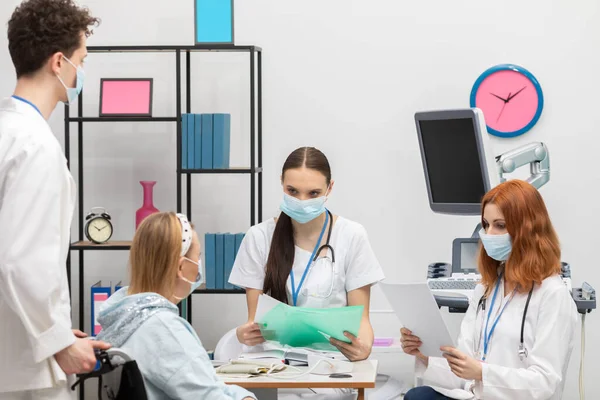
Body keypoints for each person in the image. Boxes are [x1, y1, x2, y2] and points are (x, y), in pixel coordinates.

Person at [0, 1, 110, 398]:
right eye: (82, 59)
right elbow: (20, 262)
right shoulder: (35, 148)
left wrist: (58, 329)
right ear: (59, 62)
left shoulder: (8, 132)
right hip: (25, 371)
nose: (82, 72)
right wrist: (60, 342)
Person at [401, 180, 578, 400]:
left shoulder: (553, 295)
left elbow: (544, 383)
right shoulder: (487, 289)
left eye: (500, 225)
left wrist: (483, 373)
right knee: (418, 396)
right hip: (476, 396)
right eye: (486, 224)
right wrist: (424, 356)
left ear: (527, 229)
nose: (488, 234)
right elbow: (464, 369)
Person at [230, 146, 385, 362]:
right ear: (281, 184)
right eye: (292, 191)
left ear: (329, 188)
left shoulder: (351, 236)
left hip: (331, 363)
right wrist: (245, 334)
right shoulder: (258, 237)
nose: (302, 201)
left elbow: (362, 321)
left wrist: (364, 347)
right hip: (273, 361)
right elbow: (254, 321)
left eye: (313, 193)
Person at [97, 212, 256, 400]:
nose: (199, 266)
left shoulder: (123, 317)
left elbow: (206, 385)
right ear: (181, 268)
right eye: (198, 257)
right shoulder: (163, 330)